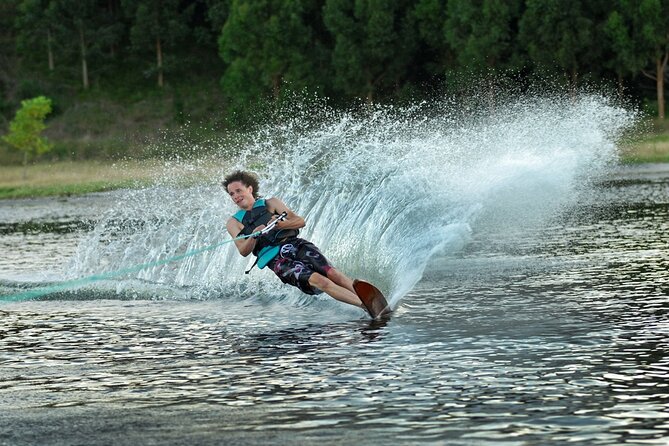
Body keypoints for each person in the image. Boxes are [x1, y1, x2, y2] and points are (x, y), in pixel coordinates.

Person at [223, 170, 364, 310]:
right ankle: (365, 306)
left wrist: (281, 225)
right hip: (276, 260)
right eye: (232, 194)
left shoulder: (271, 203)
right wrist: (254, 235)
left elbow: (300, 221)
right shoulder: (234, 222)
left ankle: (368, 300)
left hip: (295, 245)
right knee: (321, 281)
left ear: (249, 188)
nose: (236, 196)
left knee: (331, 272)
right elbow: (243, 251)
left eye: (238, 191)